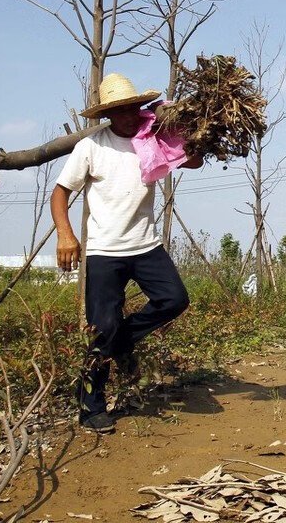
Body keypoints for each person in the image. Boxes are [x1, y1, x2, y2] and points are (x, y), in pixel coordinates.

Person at [52, 73, 203, 434]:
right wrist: (65, 235)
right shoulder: (92, 147)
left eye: (134, 107)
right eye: (120, 110)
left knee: (174, 299)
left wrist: (196, 133)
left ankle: (120, 342)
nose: (130, 115)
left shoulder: (151, 141)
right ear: (108, 114)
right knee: (99, 329)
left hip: (145, 245)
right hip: (104, 250)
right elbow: (60, 193)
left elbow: (192, 162)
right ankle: (91, 408)